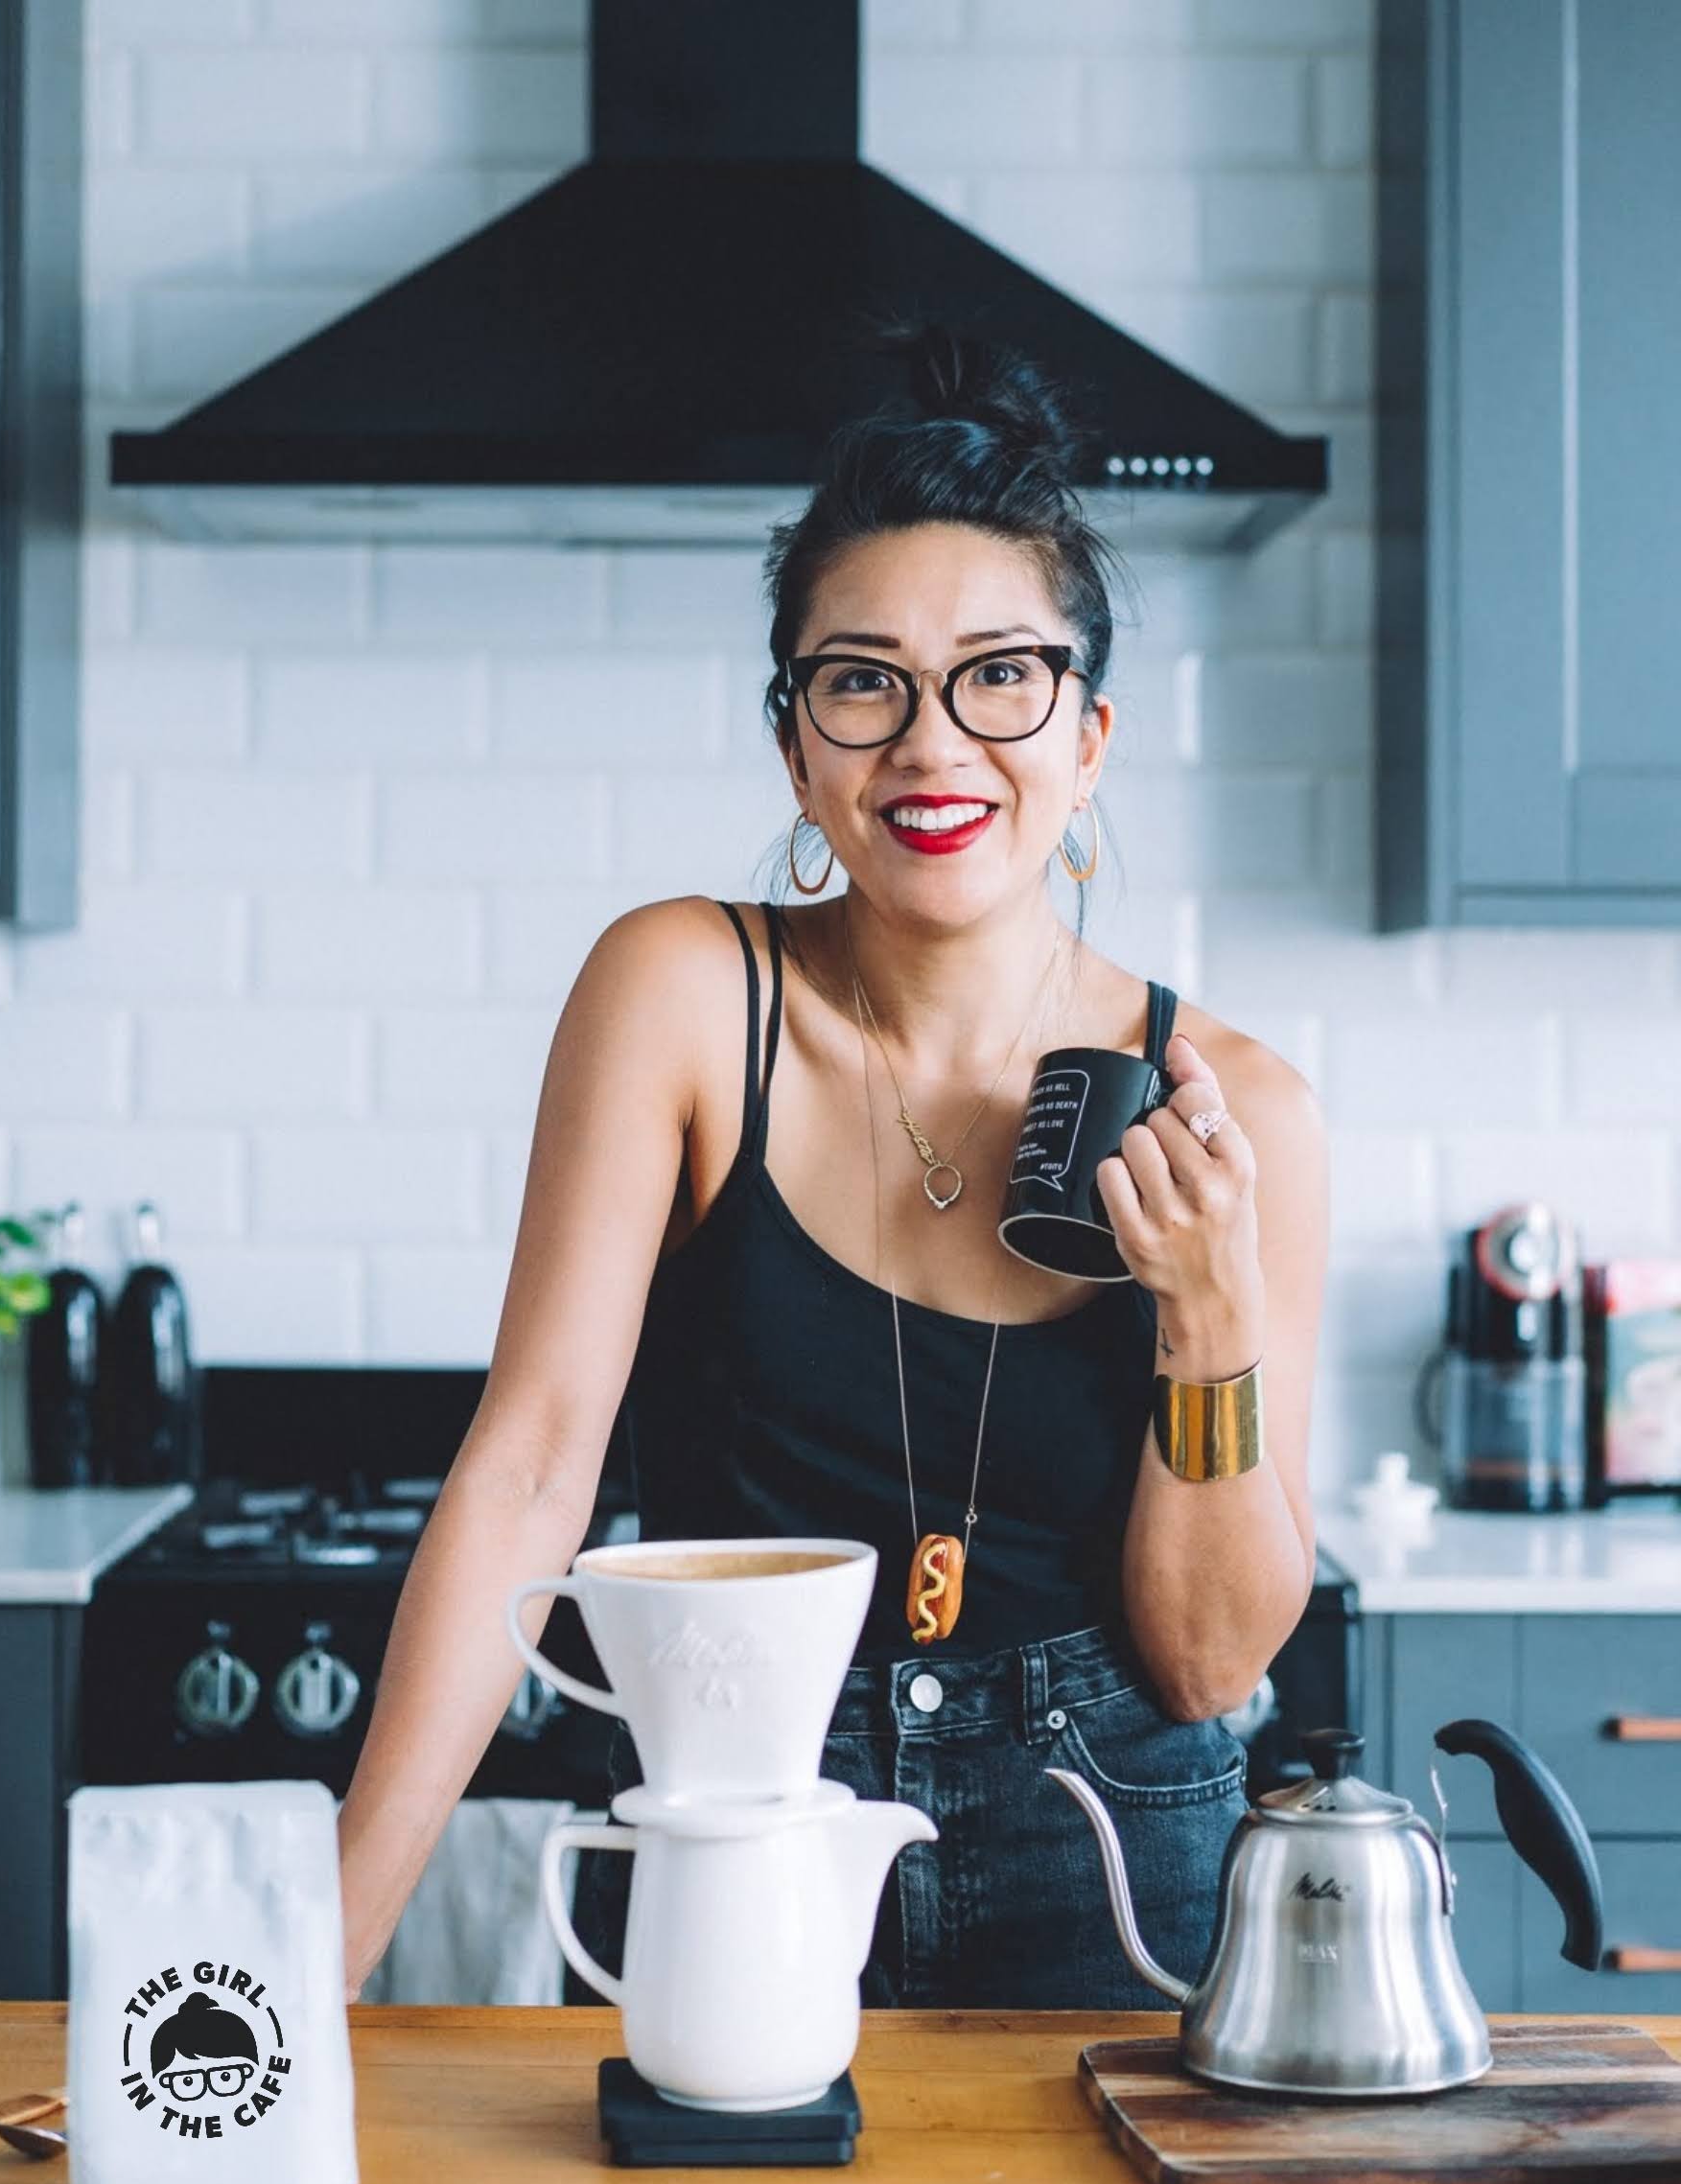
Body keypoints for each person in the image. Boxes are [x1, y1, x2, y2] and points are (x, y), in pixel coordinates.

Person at [336, 327, 1327, 2009]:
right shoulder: (678, 995)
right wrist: (326, 1949)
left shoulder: (1237, 1109)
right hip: (730, 1820)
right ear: (798, 749)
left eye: (1001, 676)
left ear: (1088, 738)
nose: (934, 744)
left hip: (1115, 1863)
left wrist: (1210, 1311)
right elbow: (531, 1465)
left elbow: (1208, 1656)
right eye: (863, 681)